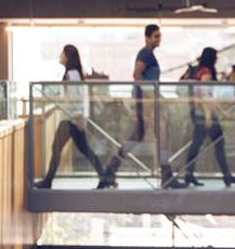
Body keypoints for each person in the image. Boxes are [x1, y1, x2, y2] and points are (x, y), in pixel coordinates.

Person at [99, 24, 184, 190]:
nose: (158, 39)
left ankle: (111, 169)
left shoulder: (149, 55)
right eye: (155, 36)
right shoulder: (145, 54)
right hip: (147, 104)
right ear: (147, 38)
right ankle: (165, 174)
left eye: (159, 36)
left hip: (148, 102)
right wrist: (151, 98)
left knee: (141, 136)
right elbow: (137, 75)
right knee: (160, 136)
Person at [34, 45, 104, 189]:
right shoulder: (74, 73)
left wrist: (78, 117)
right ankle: (104, 176)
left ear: (67, 56)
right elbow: (72, 96)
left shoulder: (71, 74)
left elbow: (75, 97)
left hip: (70, 119)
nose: (60, 56)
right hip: (72, 118)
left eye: (62, 53)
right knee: (84, 149)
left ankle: (48, 181)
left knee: (59, 148)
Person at [182, 46, 235, 187]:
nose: (217, 59)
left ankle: (189, 174)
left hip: (200, 112)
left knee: (199, 143)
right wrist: (209, 116)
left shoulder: (200, 71)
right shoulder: (206, 73)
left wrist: (220, 112)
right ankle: (226, 176)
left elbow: (207, 96)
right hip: (203, 113)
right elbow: (204, 95)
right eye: (215, 56)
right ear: (211, 58)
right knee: (217, 142)